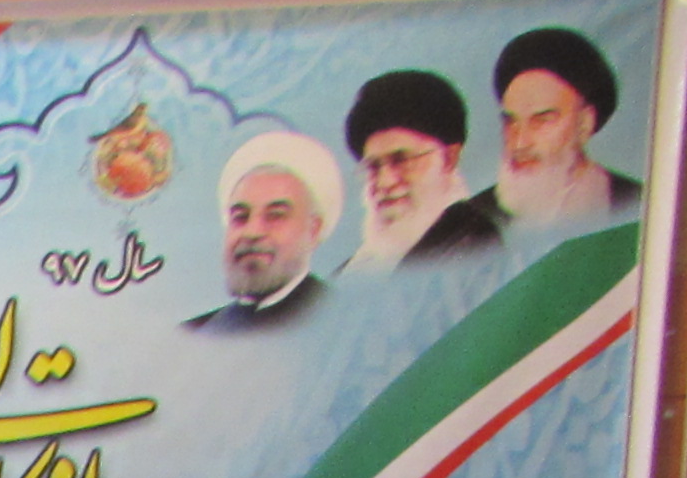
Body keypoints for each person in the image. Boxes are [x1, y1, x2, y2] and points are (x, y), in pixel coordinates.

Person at [483, 25, 644, 237]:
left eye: (542, 121)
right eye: (511, 122)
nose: (520, 143)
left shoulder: (639, 205)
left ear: (585, 123)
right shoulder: (475, 220)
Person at [341, 69, 502, 273]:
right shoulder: (352, 270)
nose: (385, 182)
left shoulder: (474, 246)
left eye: (401, 161)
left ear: (448, 159)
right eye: (373, 167)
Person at [182, 131, 338, 333]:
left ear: (313, 230)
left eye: (275, 215)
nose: (252, 232)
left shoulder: (343, 322)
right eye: (241, 217)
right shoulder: (194, 333)